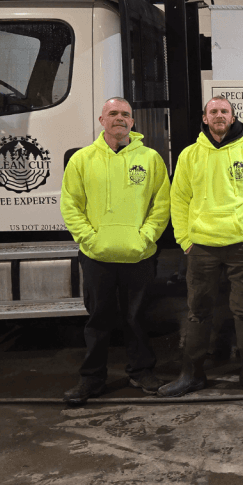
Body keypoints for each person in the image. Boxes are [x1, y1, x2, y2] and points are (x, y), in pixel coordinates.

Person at [158, 95, 243, 397]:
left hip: (241, 247)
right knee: (198, 311)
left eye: (224, 111)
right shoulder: (190, 155)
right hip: (201, 247)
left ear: (232, 117)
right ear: (205, 118)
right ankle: (192, 375)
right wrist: (185, 239)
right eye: (213, 111)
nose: (219, 115)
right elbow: (179, 199)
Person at [61, 97, 170, 405]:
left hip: (139, 255)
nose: (119, 118)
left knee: (137, 317)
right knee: (98, 320)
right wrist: (89, 239)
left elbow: (162, 204)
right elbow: (70, 205)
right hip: (97, 256)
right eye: (113, 113)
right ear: (102, 120)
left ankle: (141, 371)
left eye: (125, 114)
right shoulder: (82, 159)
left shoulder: (150, 159)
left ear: (132, 122)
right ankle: (92, 378)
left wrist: (146, 238)